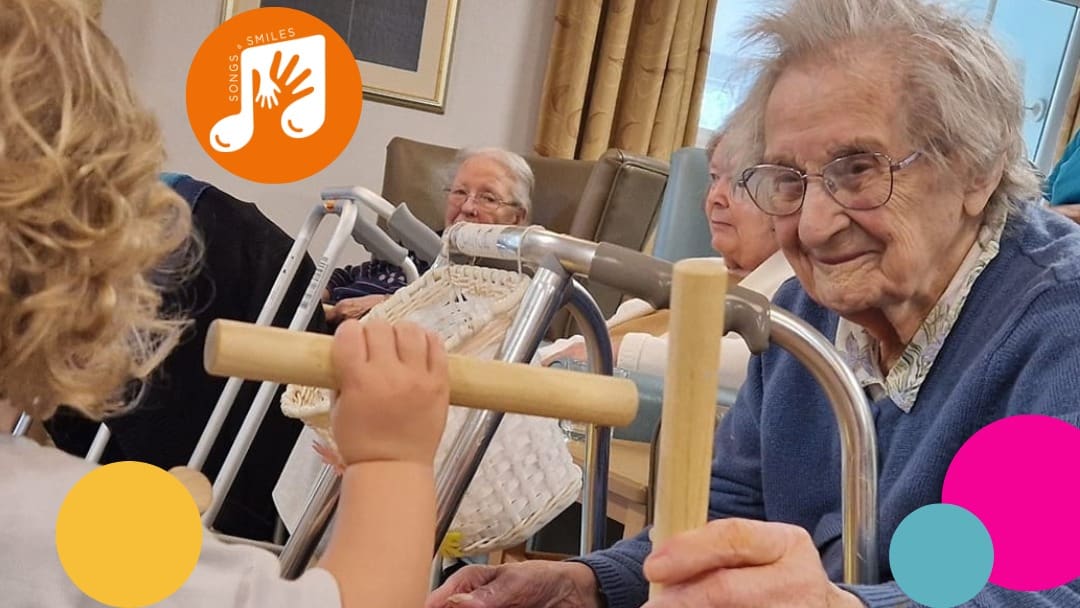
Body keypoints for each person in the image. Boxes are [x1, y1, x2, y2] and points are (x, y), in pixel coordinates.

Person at [427, 0, 1080, 606]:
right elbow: (730, 509)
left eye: (859, 170)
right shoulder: (804, 311)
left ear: (975, 170)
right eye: (787, 180)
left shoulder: (1059, 321)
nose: (814, 226)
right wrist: (588, 583)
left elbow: (1045, 589)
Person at [0, 2, 449, 607]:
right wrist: (392, 459)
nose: (469, 203)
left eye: (488, 195)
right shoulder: (69, 530)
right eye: (462, 189)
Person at [538, 128, 792, 391]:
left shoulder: (793, 291)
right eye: (714, 178)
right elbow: (585, 344)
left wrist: (618, 352)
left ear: (786, 199)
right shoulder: (692, 270)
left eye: (739, 182)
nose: (715, 197)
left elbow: (760, 364)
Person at [323, 147, 534, 323]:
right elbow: (351, 274)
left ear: (516, 218)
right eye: (460, 192)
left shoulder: (506, 279)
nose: (467, 207)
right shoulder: (420, 243)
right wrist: (319, 294)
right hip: (323, 318)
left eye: (488, 198)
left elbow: (461, 320)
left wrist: (389, 305)